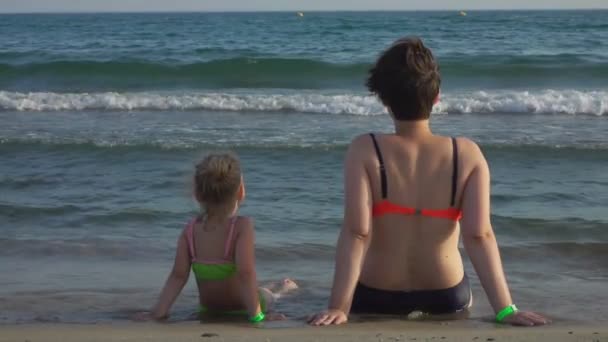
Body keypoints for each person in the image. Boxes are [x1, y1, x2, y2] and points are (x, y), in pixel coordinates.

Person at [309, 37, 550, 327]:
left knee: (296, 292)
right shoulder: (467, 154)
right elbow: (480, 235)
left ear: (383, 98)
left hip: (375, 295)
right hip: (446, 297)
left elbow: (357, 233)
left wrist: (339, 307)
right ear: (437, 97)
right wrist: (506, 309)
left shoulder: (365, 149)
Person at [135, 152, 297, 323]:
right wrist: (257, 316)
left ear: (197, 194)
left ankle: (278, 285)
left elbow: (178, 276)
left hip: (209, 310)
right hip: (244, 308)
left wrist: (158, 313)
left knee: (262, 289)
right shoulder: (242, 226)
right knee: (269, 295)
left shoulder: (189, 231)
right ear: (241, 191)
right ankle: (284, 287)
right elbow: (245, 273)